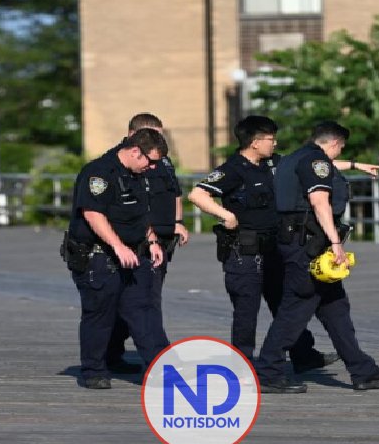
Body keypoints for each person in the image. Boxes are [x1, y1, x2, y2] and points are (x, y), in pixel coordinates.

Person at [255, 121, 379, 394]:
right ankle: (267, 371)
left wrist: (357, 165)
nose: (339, 153)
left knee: (336, 309)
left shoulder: (294, 159)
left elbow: (325, 167)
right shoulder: (316, 162)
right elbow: (320, 201)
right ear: (335, 143)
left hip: (295, 242)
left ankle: (363, 371)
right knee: (295, 309)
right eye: (341, 148)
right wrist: (337, 242)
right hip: (308, 247)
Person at [188, 115, 337, 371]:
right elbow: (197, 194)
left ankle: (304, 355)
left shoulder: (273, 165)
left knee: (286, 306)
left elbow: (309, 166)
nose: (275, 143)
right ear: (255, 142)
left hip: (274, 251)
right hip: (245, 255)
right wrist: (226, 215)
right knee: (246, 313)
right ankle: (242, 366)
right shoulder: (232, 169)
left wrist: (354, 165)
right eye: (270, 139)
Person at [62, 128, 171, 389]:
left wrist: (152, 241)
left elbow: (140, 213)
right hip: (99, 257)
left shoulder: (137, 174)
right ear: (135, 151)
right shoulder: (99, 172)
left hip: (134, 253)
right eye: (151, 161)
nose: (153, 167)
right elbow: (93, 214)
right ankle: (94, 370)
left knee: (144, 311)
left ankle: (160, 367)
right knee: (100, 314)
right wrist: (119, 247)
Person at [104, 113, 187, 373]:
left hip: (161, 240)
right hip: (136, 240)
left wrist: (178, 222)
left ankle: (114, 352)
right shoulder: (120, 162)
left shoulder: (163, 162)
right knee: (142, 301)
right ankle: (154, 356)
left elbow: (174, 194)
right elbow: (134, 205)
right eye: (153, 134)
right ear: (134, 136)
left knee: (145, 298)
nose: (159, 140)